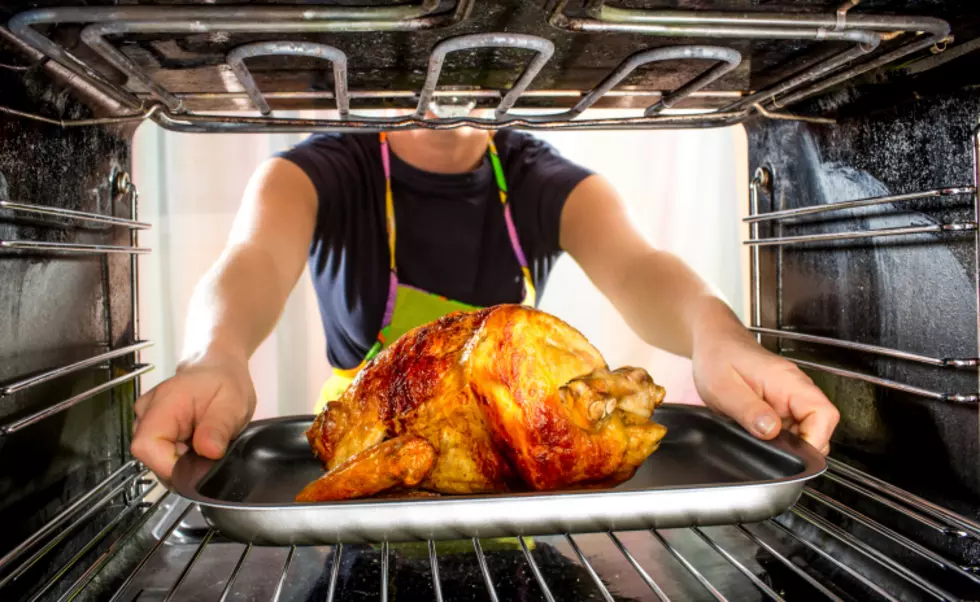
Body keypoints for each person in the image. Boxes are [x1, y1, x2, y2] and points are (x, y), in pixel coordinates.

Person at [131, 118, 839, 480]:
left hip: (510, 460)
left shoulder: (540, 178)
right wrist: (214, 355)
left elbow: (642, 267)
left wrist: (719, 336)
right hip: (371, 454)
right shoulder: (323, 171)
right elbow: (251, 260)